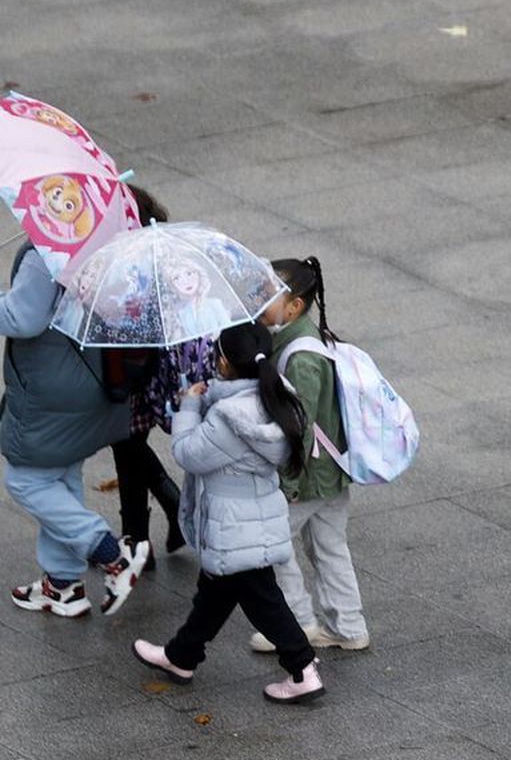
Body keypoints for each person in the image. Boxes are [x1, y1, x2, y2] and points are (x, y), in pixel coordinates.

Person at [132, 322, 326, 704]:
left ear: (223, 361)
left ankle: (303, 669)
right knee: (215, 592)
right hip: (254, 515)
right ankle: (181, 656)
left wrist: (189, 403)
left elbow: (188, 453)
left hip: (233, 523)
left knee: (261, 599)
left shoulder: (229, 417)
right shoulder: (275, 396)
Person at [1, 229, 147, 618]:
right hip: (94, 377)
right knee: (60, 478)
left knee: (25, 481)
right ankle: (62, 584)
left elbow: (23, 317)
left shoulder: (46, 251)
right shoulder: (103, 239)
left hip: (53, 386)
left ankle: (111, 553)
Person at [247, 257, 369, 654]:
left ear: (294, 306)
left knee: (273, 546)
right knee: (329, 547)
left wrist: (290, 484)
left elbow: (300, 425)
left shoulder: (301, 358)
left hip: (309, 476)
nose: (257, 301)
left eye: (266, 295)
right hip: (330, 472)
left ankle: (296, 625)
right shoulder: (302, 341)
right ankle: (348, 626)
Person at [110, 337, 214, 559]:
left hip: (129, 375)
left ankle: (137, 542)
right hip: (137, 373)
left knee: (128, 449)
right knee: (129, 451)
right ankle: (139, 540)